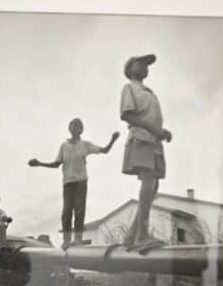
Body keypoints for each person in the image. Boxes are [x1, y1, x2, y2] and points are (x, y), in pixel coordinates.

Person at [29, 118, 117, 246]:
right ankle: (66, 240)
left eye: (78, 126)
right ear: (70, 129)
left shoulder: (85, 144)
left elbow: (104, 150)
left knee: (79, 210)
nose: (76, 128)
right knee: (67, 211)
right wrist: (39, 163)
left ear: (81, 130)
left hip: (81, 181)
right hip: (68, 182)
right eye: (73, 126)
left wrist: (112, 140)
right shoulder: (64, 146)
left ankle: (78, 239)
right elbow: (56, 164)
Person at [118, 53, 171, 250]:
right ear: (130, 69)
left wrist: (161, 132)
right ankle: (142, 235)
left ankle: (131, 236)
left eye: (147, 65)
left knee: (153, 186)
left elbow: (152, 120)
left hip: (154, 142)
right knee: (149, 181)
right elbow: (127, 115)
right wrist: (153, 129)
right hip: (141, 138)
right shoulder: (129, 88)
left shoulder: (149, 92)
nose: (145, 67)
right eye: (141, 63)